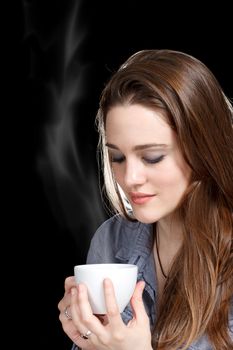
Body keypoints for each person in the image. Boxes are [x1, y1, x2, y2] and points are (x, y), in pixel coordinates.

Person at [58, 49, 233, 350]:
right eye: (117, 157)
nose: (130, 178)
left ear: (203, 149)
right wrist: (86, 337)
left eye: (152, 157)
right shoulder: (111, 241)